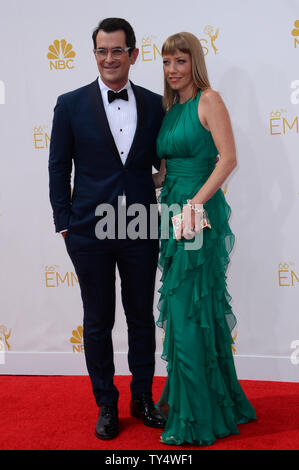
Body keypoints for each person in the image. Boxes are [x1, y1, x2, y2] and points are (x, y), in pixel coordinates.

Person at [48, 17, 166, 440]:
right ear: (94, 53)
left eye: (118, 50)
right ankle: (106, 404)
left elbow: (164, 161)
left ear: (134, 54)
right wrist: (65, 223)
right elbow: (59, 167)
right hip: (88, 230)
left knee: (139, 318)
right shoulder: (70, 103)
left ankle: (143, 398)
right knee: (97, 320)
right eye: (102, 50)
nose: (110, 58)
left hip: (139, 225)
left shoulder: (155, 104)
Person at [153, 32, 257, 446]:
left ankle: (197, 417)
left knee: (189, 308)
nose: (172, 70)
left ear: (194, 62)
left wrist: (194, 206)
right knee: (186, 311)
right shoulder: (170, 109)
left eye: (180, 61)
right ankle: (209, 400)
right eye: (166, 62)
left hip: (197, 215)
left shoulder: (209, 100)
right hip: (171, 212)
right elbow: (167, 171)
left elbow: (227, 159)